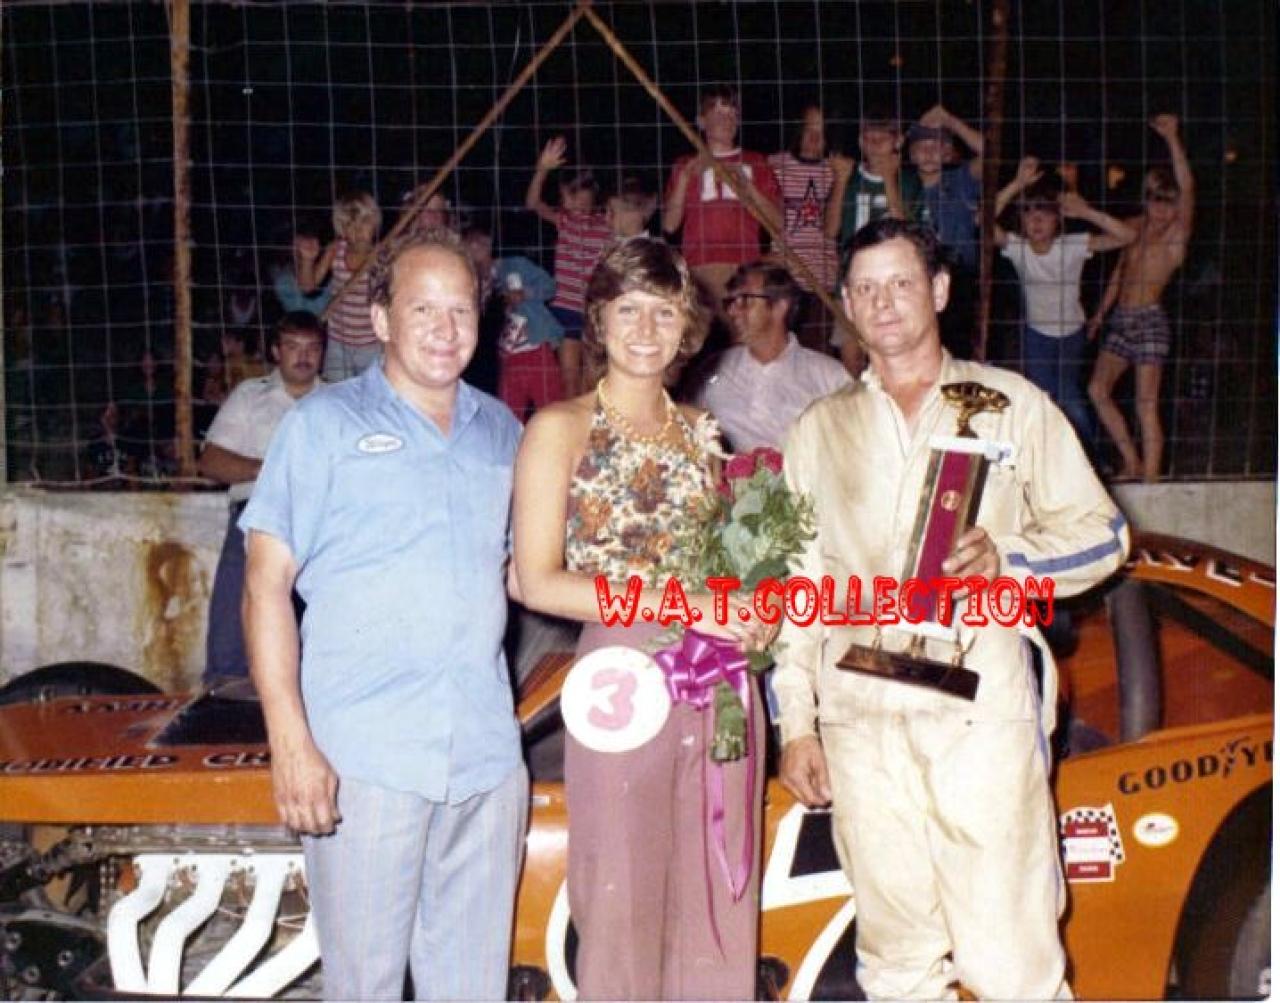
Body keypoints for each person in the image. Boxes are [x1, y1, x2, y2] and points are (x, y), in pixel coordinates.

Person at [774, 218, 1130, 1000]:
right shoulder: (819, 429)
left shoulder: (1012, 405)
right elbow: (800, 587)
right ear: (846, 304)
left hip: (978, 714)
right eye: (865, 288)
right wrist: (796, 721)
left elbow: (1105, 535)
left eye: (901, 283)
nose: (883, 303)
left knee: (1011, 958)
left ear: (938, 290)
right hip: (861, 718)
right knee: (896, 958)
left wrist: (1011, 558)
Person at [241, 232, 527, 1000]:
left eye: (460, 309)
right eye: (422, 308)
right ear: (380, 320)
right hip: (365, 762)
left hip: (485, 762)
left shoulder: (504, 431)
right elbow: (264, 586)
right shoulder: (322, 426)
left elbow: (524, 575)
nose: (445, 328)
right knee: (364, 986)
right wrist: (290, 741)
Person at [513, 237, 772, 1000]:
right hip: (621, 670)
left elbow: (721, 563)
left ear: (688, 324)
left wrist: (751, 610)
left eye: (665, 311)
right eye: (628, 309)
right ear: (598, 319)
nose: (646, 328)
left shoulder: (703, 432)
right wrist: (683, 605)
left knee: (720, 887)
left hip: (718, 669)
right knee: (621, 893)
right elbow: (537, 580)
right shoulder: (559, 427)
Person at [199, 312, 323, 684]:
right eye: (293, 347)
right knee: (235, 611)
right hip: (256, 510)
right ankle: (225, 685)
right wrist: (272, 470)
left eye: (312, 348)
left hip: (320, 516)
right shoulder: (250, 396)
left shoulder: (338, 401)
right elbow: (212, 462)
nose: (303, 356)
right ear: (275, 351)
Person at [993, 158, 1135, 444]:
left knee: (1069, 398)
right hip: (1036, 335)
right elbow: (982, 222)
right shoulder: (1018, 248)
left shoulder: (1072, 245)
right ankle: (1054, 457)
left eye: (1045, 213)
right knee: (1042, 399)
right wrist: (1016, 185)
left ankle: (1089, 457)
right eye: (1029, 213)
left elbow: (1127, 235)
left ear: (1058, 219)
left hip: (1071, 335)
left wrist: (1086, 211)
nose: (1036, 221)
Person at [1087, 114, 1195, 482]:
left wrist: (1172, 139)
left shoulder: (1176, 235)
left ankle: (1151, 481)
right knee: (1097, 389)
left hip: (1150, 319)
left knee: (1146, 404)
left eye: (1168, 202)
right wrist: (1100, 315)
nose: (1161, 209)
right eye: (1155, 200)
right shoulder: (1136, 226)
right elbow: (1120, 273)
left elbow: (1188, 187)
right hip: (1121, 318)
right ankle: (1131, 462)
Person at [696, 261, 851, 451]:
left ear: (779, 306)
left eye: (745, 300)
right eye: (731, 302)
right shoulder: (713, 369)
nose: (732, 311)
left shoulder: (828, 377)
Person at [663, 84, 782, 311]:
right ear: (701, 121)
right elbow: (669, 225)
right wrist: (685, 178)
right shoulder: (684, 164)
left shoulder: (755, 161)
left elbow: (778, 222)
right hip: (700, 268)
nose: (726, 120)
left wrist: (749, 188)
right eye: (718, 114)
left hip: (746, 266)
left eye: (732, 114)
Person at [825, 111, 921, 373]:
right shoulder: (848, 176)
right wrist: (840, 181)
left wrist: (889, 178)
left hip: (892, 282)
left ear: (898, 141)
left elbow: (906, 232)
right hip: (850, 282)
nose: (876, 144)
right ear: (860, 140)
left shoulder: (908, 181)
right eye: (869, 137)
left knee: (890, 358)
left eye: (884, 137)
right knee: (851, 360)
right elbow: (830, 230)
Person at [525, 136, 613, 398]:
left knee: (592, 379)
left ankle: (591, 421)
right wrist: (542, 170)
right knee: (569, 378)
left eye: (579, 196)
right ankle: (570, 421)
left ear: (591, 196)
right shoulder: (564, 220)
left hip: (592, 311)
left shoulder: (606, 225)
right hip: (565, 310)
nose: (574, 202)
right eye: (567, 195)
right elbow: (532, 203)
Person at [905, 105, 984, 358]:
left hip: (959, 282)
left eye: (936, 146)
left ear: (948, 152)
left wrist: (951, 121)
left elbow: (992, 154)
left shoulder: (961, 180)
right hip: (915, 281)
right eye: (922, 147)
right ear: (911, 154)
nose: (929, 153)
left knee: (957, 354)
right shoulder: (903, 187)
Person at [768, 104, 842, 350]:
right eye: (809, 130)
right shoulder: (773, 166)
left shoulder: (836, 170)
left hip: (822, 283)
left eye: (821, 133)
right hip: (784, 279)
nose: (814, 139)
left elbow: (835, 228)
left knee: (816, 353)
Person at [300, 191, 383, 382]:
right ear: (341, 229)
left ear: (375, 222)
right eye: (349, 225)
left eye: (364, 222)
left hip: (372, 342)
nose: (358, 230)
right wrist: (307, 260)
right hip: (338, 341)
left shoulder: (382, 255)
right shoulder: (335, 250)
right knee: (336, 392)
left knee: (372, 393)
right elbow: (307, 287)